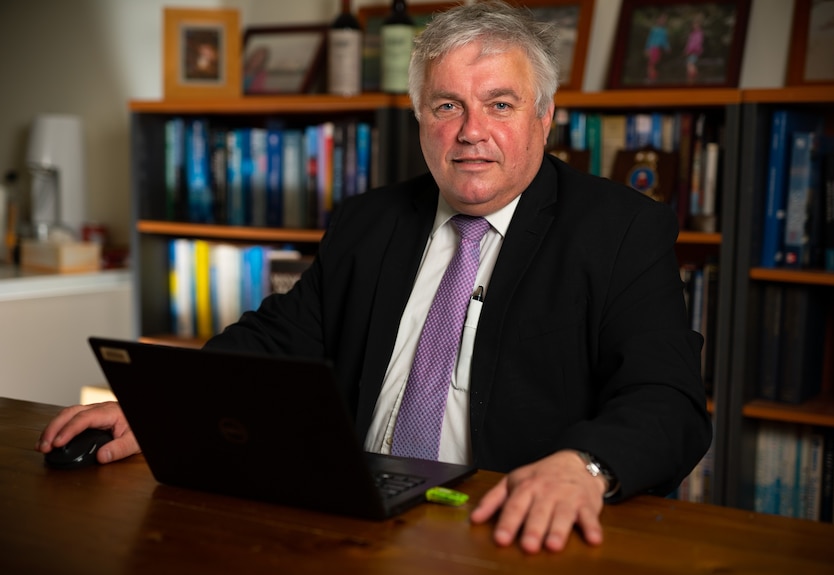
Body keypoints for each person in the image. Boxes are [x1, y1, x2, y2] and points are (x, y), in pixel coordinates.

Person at [37, 0, 712, 555]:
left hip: (508, 531)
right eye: (448, 106)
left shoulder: (619, 229)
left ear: (545, 116)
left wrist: (585, 465)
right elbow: (276, 342)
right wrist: (163, 408)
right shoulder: (370, 222)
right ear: (421, 119)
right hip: (353, 519)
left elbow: (669, 399)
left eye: (501, 105)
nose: (472, 131)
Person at [644, 12, 670, 84]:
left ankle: (653, 77)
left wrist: (667, 47)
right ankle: (651, 77)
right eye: (661, 20)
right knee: (651, 63)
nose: (662, 21)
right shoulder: (654, 29)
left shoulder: (664, 31)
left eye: (664, 20)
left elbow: (665, 40)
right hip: (653, 47)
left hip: (659, 49)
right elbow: (649, 39)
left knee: (655, 63)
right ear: (658, 20)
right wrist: (647, 48)